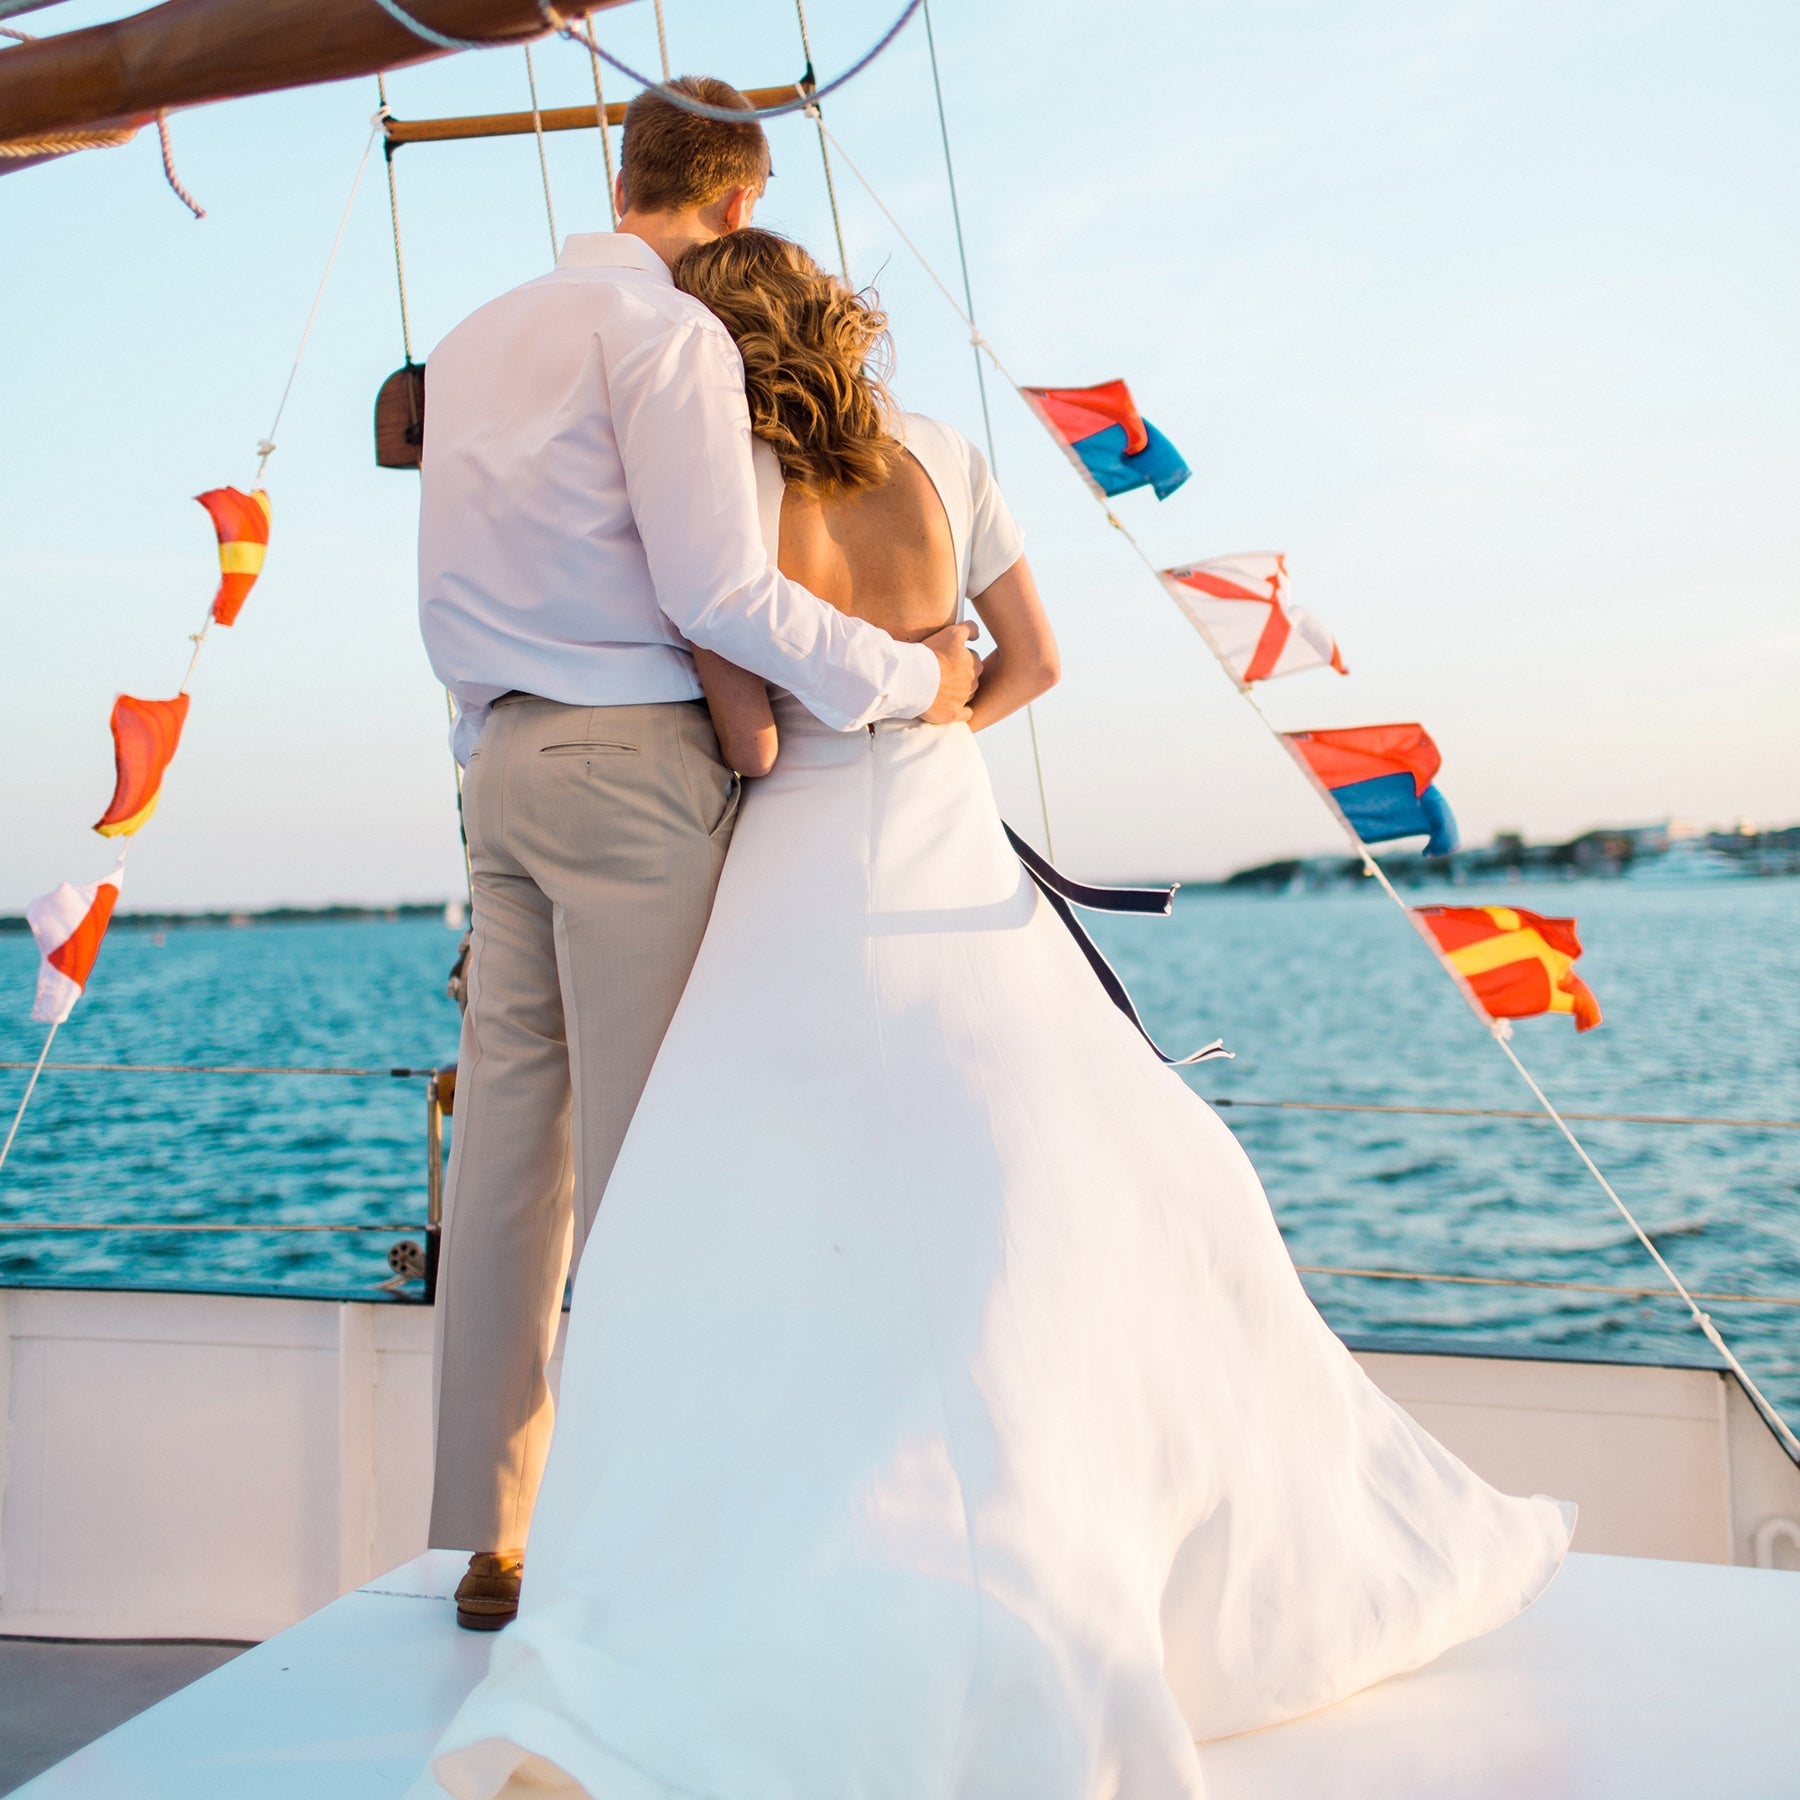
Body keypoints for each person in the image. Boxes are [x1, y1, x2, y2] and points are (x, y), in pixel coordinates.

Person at [408, 229, 1572, 1800]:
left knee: (752, 1189)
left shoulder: (727, 487)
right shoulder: (951, 454)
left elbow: (745, 737)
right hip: (956, 843)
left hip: (803, 854)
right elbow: (1035, 662)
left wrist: (843, 706)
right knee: (1025, 1141)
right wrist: (942, 699)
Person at [416, 80, 981, 1633]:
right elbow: (722, 593)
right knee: (664, 1166)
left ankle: (495, 1534)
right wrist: (912, 680)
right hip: (626, 773)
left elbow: (449, 578)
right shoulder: (667, 338)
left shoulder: (473, 338)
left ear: (626, 174)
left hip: (503, 767)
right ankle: (648, 1529)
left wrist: (486, 741)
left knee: (512, 1167)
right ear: (735, 205)